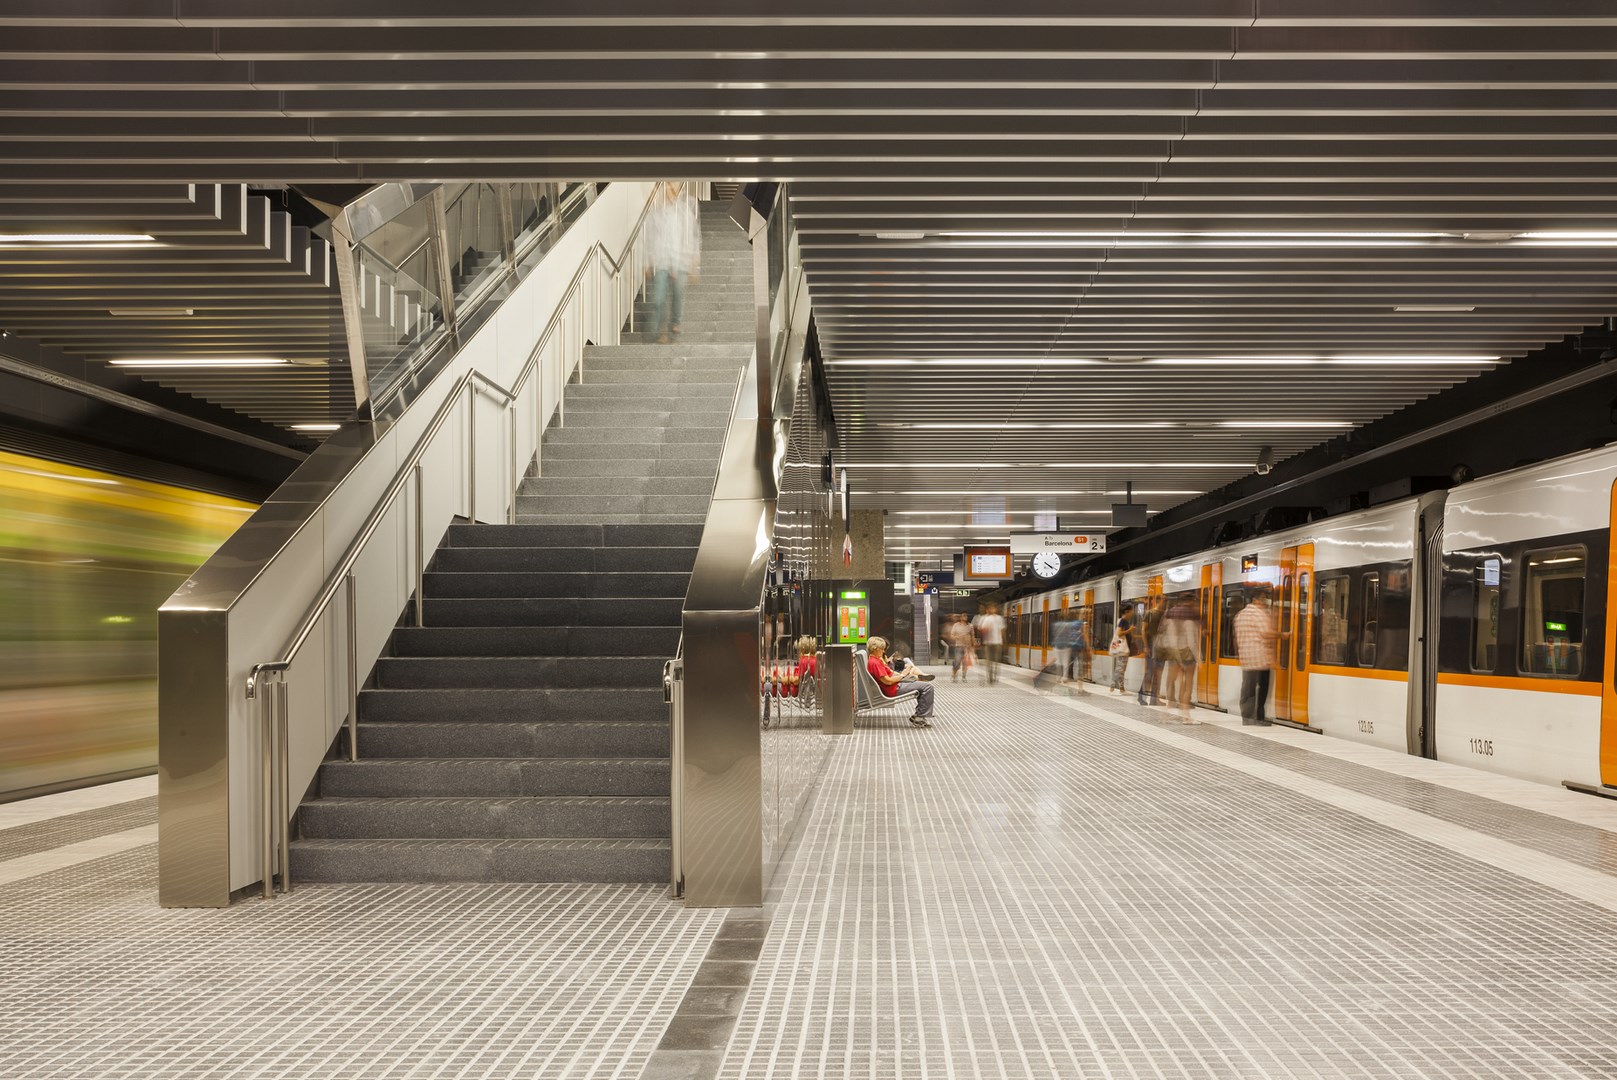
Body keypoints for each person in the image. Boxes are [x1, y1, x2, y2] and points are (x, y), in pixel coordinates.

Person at [643, 181, 700, 344]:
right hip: (661, 262)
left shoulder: (684, 213)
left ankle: (676, 322)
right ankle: (662, 331)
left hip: (680, 261)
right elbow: (650, 240)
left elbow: (693, 237)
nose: (668, 192)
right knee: (658, 299)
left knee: (678, 293)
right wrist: (648, 263)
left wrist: (693, 263)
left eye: (670, 189)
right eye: (665, 189)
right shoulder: (655, 214)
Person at [866, 636, 935, 728]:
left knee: (919, 682)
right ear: (876, 649)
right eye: (882, 649)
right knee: (927, 687)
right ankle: (919, 717)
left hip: (894, 684)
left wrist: (902, 674)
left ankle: (919, 715)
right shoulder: (875, 663)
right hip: (892, 688)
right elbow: (888, 681)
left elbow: (889, 674)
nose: (883, 651)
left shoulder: (875, 660)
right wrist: (902, 675)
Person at [1234, 591, 1277, 725]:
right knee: (1261, 689)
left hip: (1246, 658)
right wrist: (1283, 635)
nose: (1264, 602)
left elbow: (1236, 637)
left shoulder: (1240, 615)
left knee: (1247, 688)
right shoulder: (1259, 614)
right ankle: (1259, 718)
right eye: (1263, 599)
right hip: (1260, 658)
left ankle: (1246, 717)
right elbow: (1266, 633)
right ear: (1256, 600)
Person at [1156, 595, 1201, 722]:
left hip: (1174, 655)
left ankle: (1165, 716)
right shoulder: (1190, 622)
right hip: (1188, 656)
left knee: (1172, 682)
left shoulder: (1169, 621)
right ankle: (1186, 716)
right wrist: (1199, 658)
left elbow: (1169, 640)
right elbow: (1192, 643)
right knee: (1187, 686)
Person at [1138, 595, 1168, 706]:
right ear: (1158, 600)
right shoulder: (1149, 613)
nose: (1166, 602)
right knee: (1149, 672)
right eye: (1164, 600)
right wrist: (1145, 646)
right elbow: (1143, 630)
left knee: (1158, 674)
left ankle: (1154, 699)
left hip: (1162, 647)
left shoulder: (1165, 615)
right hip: (1151, 646)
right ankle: (1141, 696)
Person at [972, 603, 1006, 685]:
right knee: (989, 661)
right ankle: (990, 677)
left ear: (995, 609)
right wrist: (979, 642)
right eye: (990, 608)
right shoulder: (986, 619)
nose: (992, 609)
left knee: (997, 661)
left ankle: (995, 677)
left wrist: (1004, 641)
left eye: (993, 608)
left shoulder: (999, 618)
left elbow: (1002, 630)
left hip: (998, 642)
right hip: (988, 643)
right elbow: (981, 630)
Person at [1109, 605, 1136, 694]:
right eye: (1131, 611)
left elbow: (1129, 635)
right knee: (1120, 668)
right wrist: (1130, 629)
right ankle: (1113, 684)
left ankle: (1121, 688)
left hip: (1124, 648)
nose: (1132, 612)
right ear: (1127, 611)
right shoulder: (1123, 621)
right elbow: (1119, 633)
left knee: (1121, 668)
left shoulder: (1124, 621)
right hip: (1122, 648)